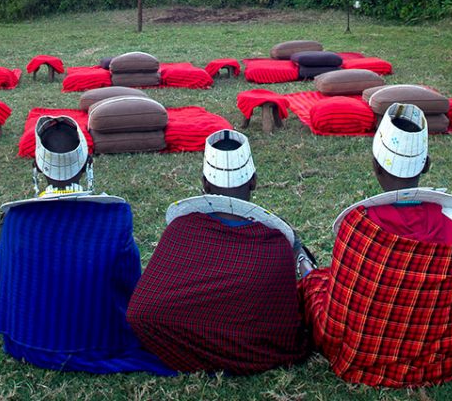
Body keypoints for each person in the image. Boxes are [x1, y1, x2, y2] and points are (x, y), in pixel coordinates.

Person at [300, 103, 452, 388]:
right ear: (426, 164)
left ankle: (303, 262)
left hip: (362, 353)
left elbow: (338, 317)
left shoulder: (356, 226)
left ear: (375, 164)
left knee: (316, 284)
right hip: (437, 356)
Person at [0, 116, 171, 375]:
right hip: (98, 343)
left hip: (24, 343)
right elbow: (130, 285)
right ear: (88, 164)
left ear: (37, 167)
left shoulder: (16, 220)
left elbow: (9, 286)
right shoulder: (113, 217)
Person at [126, 129, 314, 375]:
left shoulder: (179, 230)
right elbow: (286, 328)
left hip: (182, 350)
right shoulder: (276, 246)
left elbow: (140, 314)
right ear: (254, 181)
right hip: (256, 356)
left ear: (204, 183)